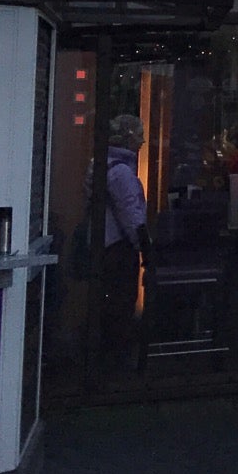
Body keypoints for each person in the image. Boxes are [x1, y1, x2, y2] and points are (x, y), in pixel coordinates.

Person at [100, 114, 150, 372]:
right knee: (121, 305)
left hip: (106, 245)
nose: (143, 140)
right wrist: (145, 247)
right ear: (129, 136)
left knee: (111, 306)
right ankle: (117, 366)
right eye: (139, 134)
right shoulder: (122, 173)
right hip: (118, 248)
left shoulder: (105, 165)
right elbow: (132, 216)